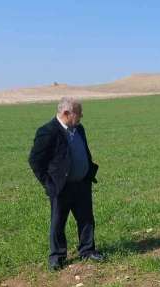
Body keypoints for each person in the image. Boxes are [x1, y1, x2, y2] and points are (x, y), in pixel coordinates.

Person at [29, 97, 103, 270]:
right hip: (61, 187)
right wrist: (49, 184)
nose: (82, 116)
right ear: (66, 113)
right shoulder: (48, 131)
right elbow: (35, 160)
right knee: (58, 222)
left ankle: (87, 250)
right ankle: (57, 256)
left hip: (82, 184)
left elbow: (83, 151)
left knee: (86, 219)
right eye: (79, 113)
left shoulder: (79, 129)